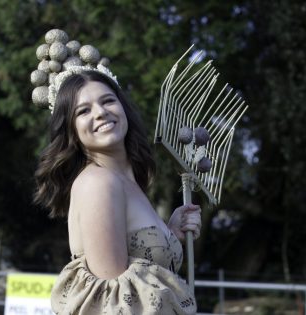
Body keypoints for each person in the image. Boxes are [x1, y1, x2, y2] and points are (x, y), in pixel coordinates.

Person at [34, 69, 201, 314]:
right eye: (84, 111)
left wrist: (171, 232)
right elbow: (116, 303)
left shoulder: (127, 182)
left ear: (123, 108)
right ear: (72, 130)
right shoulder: (98, 183)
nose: (100, 113)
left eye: (108, 100)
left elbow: (141, 267)